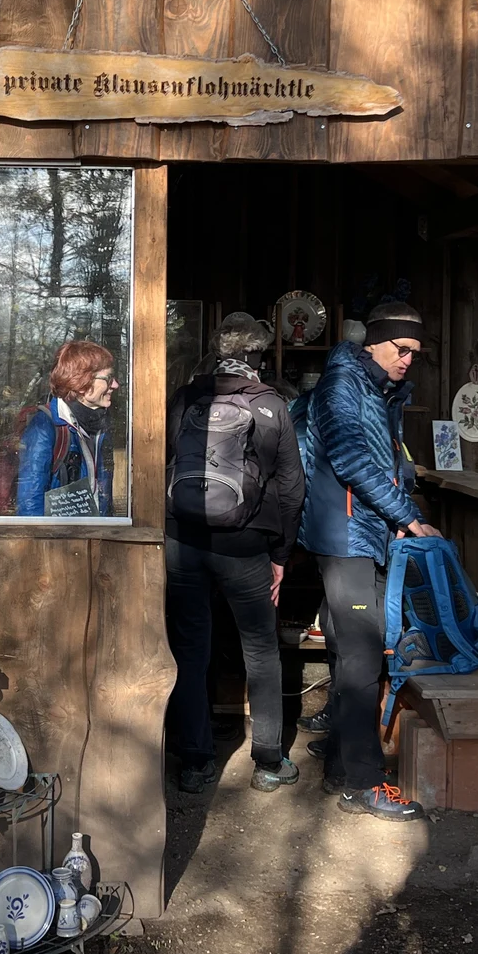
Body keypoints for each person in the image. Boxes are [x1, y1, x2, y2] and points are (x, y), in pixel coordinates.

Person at [299, 301, 437, 820]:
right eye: (400, 349)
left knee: (346, 654)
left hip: (353, 535)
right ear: (373, 343)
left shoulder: (375, 390)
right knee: (360, 659)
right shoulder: (344, 386)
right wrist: (409, 516)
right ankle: (364, 781)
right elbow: (352, 459)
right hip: (346, 537)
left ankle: (339, 763)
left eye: (414, 354)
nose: (407, 360)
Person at [164, 314, 307, 795]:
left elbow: (165, 461)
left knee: (189, 649)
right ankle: (268, 759)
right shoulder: (272, 404)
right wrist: (281, 555)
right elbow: (291, 488)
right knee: (262, 650)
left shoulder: (184, 398)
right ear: (257, 356)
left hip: (183, 543)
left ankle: (194, 761)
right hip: (246, 548)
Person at [15, 339, 118, 517]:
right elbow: (30, 506)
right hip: (60, 540)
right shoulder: (45, 426)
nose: (115, 385)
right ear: (81, 382)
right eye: (108, 378)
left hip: (94, 537)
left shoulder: (101, 428)